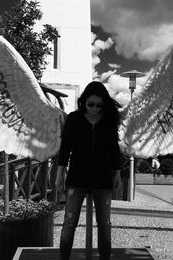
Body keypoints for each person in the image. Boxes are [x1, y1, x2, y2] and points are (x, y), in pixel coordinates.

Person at [55, 81, 122, 260]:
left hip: (102, 178)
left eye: (99, 105)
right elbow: (65, 148)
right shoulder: (73, 119)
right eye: (90, 104)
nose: (94, 109)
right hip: (77, 177)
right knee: (69, 223)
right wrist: (60, 173)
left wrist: (118, 174)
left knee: (105, 224)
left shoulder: (109, 120)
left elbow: (114, 149)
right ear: (83, 101)